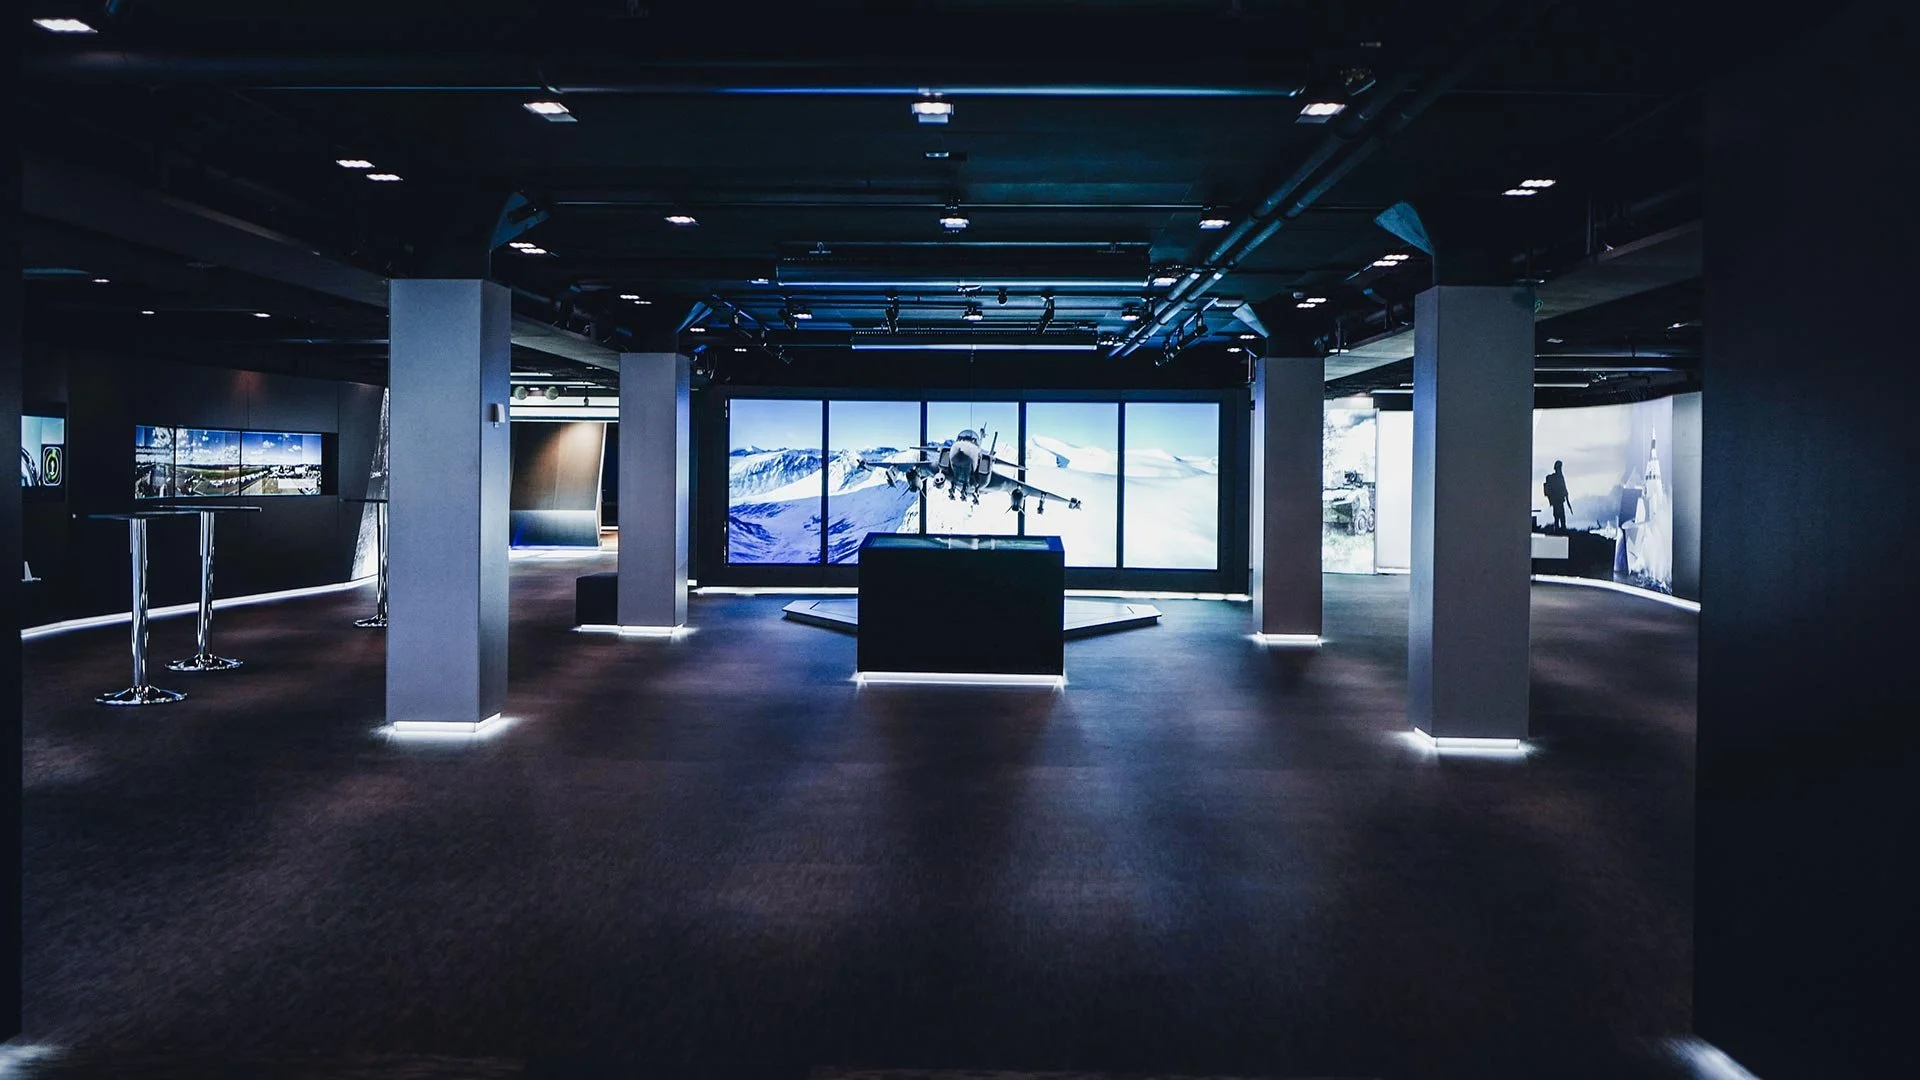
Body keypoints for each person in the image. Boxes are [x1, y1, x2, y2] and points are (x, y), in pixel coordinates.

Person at [1543, 460, 1570, 532]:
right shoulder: (1558, 477)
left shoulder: (1557, 477)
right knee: (1560, 516)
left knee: (1558, 516)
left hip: (1557, 500)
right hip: (1558, 500)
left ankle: (1558, 529)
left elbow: (1563, 488)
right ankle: (1559, 529)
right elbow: (1563, 487)